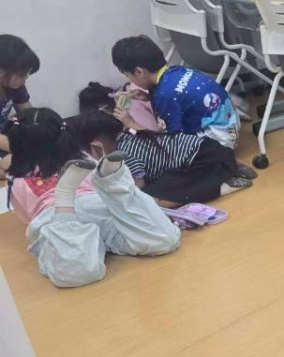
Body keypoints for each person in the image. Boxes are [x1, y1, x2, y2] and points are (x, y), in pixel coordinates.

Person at [6, 108, 180, 289]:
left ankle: (65, 196)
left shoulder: (17, 180)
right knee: (163, 240)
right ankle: (115, 182)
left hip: (57, 217)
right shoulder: (84, 158)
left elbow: (28, 220)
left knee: (75, 273)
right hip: (97, 205)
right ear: (64, 134)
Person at [66, 110, 254, 208]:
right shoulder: (130, 133)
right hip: (211, 149)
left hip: (203, 161)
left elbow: (137, 188)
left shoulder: (123, 155)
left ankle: (222, 184)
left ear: (96, 146)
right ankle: (230, 167)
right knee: (161, 178)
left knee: (150, 199)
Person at [111, 36, 240, 149]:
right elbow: (178, 98)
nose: (129, 79)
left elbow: (171, 141)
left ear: (139, 72)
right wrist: (149, 97)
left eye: (128, 75)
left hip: (221, 142)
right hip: (230, 125)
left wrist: (131, 123)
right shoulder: (176, 70)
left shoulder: (164, 96)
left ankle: (220, 162)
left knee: (165, 152)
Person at [0, 35, 39, 171]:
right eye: (22, 74)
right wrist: (21, 148)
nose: (25, 79)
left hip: (5, 137)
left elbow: (29, 114)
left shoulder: (14, 87)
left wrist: (45, 129)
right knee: (10, 167)